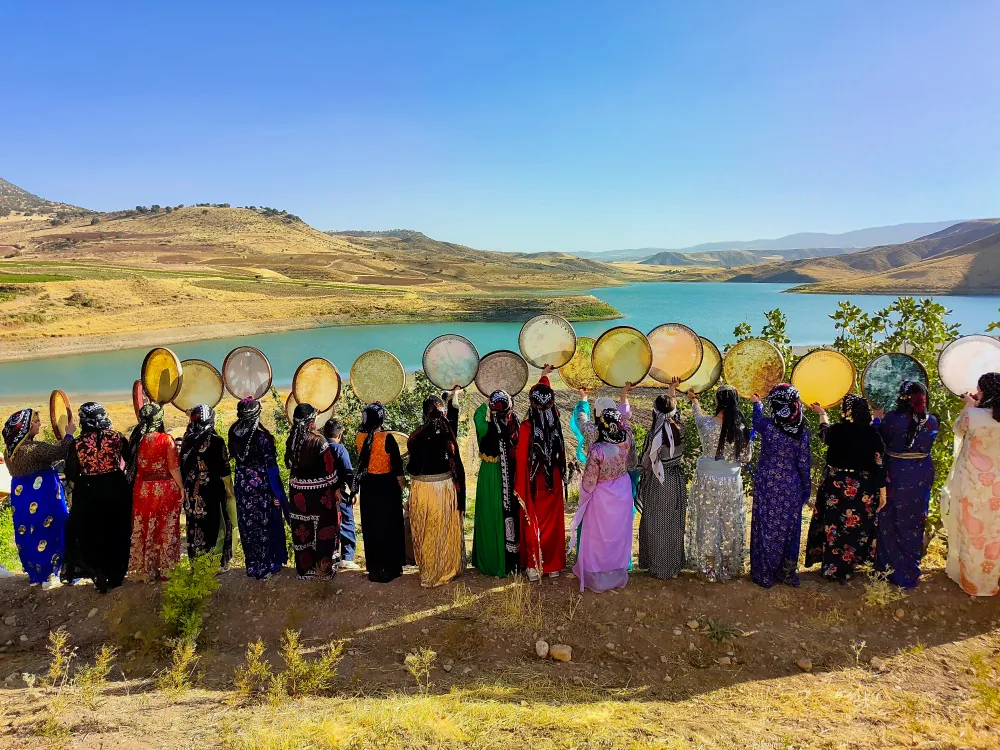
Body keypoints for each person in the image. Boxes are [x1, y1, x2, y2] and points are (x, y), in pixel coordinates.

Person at [805, 394, 886, 584]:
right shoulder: (873, 434)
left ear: (845, 411)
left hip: (836, 486)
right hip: (862, 489)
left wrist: (822, 413)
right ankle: (850, 566)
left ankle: (833, 567)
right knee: (856, 527)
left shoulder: (837, 430)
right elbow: (878, 464)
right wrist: (883, 493)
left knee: (834, 526)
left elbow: (824, 432)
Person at [875, 381, 939, 589]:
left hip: (897, 472)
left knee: (889, 518)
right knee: (914, 520)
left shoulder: (893, 419)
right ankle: (909, 571)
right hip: (921, 473)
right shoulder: (933, 421)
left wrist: (876, 419)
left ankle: (886, 568)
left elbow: (880, 437)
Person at [63, 402, 132, 593]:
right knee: (118, 531)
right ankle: (117, 576)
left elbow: (71, 473)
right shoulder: (117, 437)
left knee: (92, 533)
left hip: (89, 490)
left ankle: (99, 574)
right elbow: (131, 460)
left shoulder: (78, 443)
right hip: (117, 488)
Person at [685, 384, 752, 582]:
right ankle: (725, 567)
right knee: (729, 523)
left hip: (707, 480)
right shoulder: (741, 429)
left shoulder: (706, 424)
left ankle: (709, 569)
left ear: (718, 402)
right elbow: (746, 457)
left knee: (708, 521)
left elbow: (697, 414)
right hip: (731, 481)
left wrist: (694, 400)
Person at [941, 373, 1000, 597]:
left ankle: (972, 582)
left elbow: (958, 429)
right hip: (997, 483)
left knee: (971, 530)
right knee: (994, 531)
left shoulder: (973, 415)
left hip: (972, 482)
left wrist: (969, 405)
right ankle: (990, 582)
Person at [3, 408, 74, 588]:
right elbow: (61, 453)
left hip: (22, 498)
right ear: (24, 428)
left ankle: (36, 574)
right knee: (52, 529)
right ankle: (52, 574)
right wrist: (69, 435)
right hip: (43, 496)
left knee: (28, 532)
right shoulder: (34, 449)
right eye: (35, 421)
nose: (39, 424)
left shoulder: (8, 452)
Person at [749, 384, 812, 588]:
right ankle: (786, 573)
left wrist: (757, 403)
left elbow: (757, 420)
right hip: (791, 486)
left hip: (767, 482)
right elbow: (804, 464)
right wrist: (806, 489)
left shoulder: (769, 427)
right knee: (788, 529)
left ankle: (764, 573)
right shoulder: (802, 433)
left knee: (765, 527)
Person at [569, 405, 635, 592]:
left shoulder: (598, 450)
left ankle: (596, 575)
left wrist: (583, 497)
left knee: (598, 536)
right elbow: (626, 420)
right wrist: (624, 399)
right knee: (618, 535)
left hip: (602, 495)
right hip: (622, 490)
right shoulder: (627, 438)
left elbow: (589, 480)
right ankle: (616, 573)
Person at [407, 390, 466, 587]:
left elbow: (413, 468)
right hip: (443, 488)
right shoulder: (448, 433)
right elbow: (453, 416)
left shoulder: (415, 438)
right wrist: (453, 397)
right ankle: (445, 569)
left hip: (422, 489)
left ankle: (429, 571)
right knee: (443, 529)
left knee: (426, 530)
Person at [515, 366, 567, 579]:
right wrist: (544, 376)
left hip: (534, 482)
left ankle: (534, 567)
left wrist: (519, 485)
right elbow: (545, 396)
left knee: (532, 521)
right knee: (553, 523)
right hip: (553, 478)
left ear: (531, 403)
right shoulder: (556, 421)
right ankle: (553, 566)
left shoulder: (527, 427)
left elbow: (520, 459)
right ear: (552, 402)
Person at [228, 397, 288, 580]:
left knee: (247, 523)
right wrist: (276, 492)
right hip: (261, 485)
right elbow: (271, 467)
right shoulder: (262, 437)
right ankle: (267, 565)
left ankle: (252, 565)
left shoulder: (233, 432)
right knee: (265, 522)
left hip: (242, 483)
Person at [128, 403, 185, 582]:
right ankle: (167, 569)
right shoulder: (165, 439)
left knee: (147, 527)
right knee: (166, 528)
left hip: (144, 489)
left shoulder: (138, 439)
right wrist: (182, 487)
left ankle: (148, 569)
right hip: (165, 489)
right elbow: (174, 468)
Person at [637, 378, 687, 580]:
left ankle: (658, 567)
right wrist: (672, 390)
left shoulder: (652, 436)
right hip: (676, 481)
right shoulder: (680, 430)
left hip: (658, 483)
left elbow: (644, 463)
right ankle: (673, 567)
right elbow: (674, 413)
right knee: (674, 524)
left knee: (656, 523)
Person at [285, 403, 340, 580]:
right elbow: (330, 471)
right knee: (324, 531)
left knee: (302, 531)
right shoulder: (319, 441)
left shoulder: (292, 440)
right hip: (320, 496)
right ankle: (324, 572)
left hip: (297, 495)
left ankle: (304, 571)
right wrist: (336, 487)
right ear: (311, 421)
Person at [471, 390, 521, 578]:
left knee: (488, 513)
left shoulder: (485, 427)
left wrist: (486, 403)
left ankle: (488, 559)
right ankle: (507, 559)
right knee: (504, 513)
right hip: (507, 474)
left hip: (489, 473)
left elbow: (477, 416)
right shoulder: (513, 424)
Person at [354, 404, 405, 583]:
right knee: (388, 526)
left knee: (372, 526)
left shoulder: (360, 436)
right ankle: (390, 569)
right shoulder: (387, 438)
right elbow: (397, 467)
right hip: (386, 487)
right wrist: (401, 486)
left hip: (368, 487)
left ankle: (374, 569)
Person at [180, 405, 235, 565]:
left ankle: (196, 562)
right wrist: (229, 492)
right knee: (214, 525)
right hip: (211, 490)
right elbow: (224, 469)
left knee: (194, 524)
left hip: (191, 490)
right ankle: (214, 563)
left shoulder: (187, 439)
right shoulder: (216, 440)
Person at [324, 419, 358, 571]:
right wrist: (354, 490)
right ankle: (347, 558)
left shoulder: (318, 447)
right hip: (339, 492)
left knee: (327, 524)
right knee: (346, 522)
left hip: (321, 492)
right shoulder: (339, 449)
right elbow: (348, 472)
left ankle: (329, 557)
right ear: (339, 434)